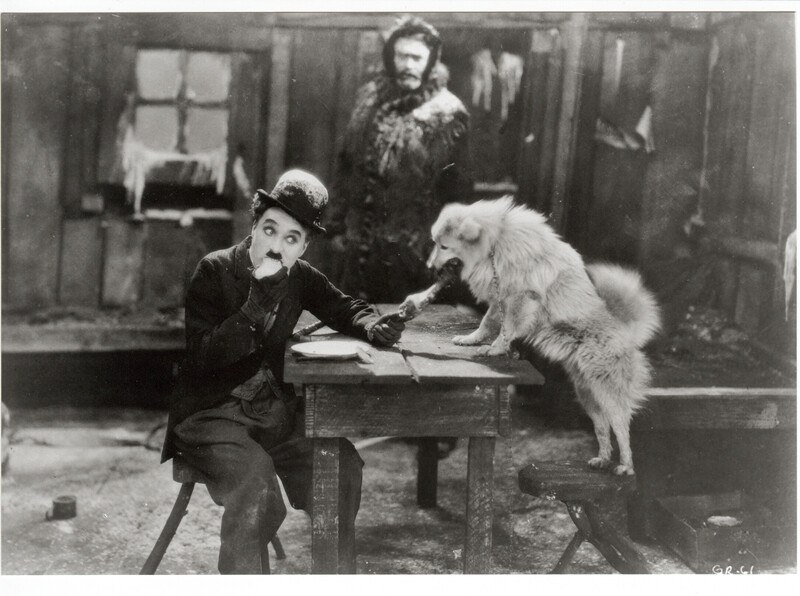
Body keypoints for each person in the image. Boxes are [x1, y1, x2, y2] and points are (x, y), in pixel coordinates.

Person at [160, 169, 405, 574]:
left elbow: (343, 306)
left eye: (292, 239)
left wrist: (370, 326)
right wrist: (255, 305)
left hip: (270, 412)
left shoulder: (298, 277)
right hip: (209, 417)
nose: (276, 247)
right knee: (256, 484)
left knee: (341, 466)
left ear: (304, 248)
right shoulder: (214, 270)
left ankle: (337, 576)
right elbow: (203, 358)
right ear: (254, 225)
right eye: (270, 230)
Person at [326, 15, 473, 304]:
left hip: (414, 253)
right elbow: (346, 168)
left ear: (430, 61)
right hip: (359, 248)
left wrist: (448, 250)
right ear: (390, 57)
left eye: (416, 58)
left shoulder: (447, 113)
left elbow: (458, 192)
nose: (408, 65)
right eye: (401, 56)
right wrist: (336, 225)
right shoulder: (368, 100)